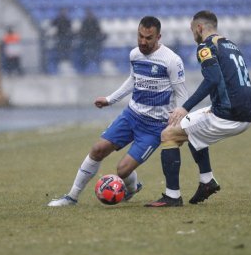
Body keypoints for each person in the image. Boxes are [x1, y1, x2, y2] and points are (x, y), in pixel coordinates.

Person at [48, 16, 188, 207]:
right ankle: (71, 197)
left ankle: (132, 188)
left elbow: (181, 93)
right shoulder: (135, 55)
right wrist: (109, 99)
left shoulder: (171, 60)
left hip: (154, 127)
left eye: (148, 38)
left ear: (158, 37)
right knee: (97, 150)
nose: (143, 42)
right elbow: (132, 80)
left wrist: (179, 118)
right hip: (131, 116)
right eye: (140, 36)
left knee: (122, 170)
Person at [145, 10, 251, 207]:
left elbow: (212, 79)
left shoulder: (206, 46)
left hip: (228, 114)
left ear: (199, 28)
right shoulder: (230, 45)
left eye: (192, 30)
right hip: (246, 111)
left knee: (169, 134)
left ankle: (172, 196)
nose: (193, 35)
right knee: (192, 128)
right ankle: (206, 181)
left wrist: (185, 107)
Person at [78, 8, 106, 73]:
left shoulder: (94, 21)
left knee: (96, 51)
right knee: (84, 51)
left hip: (93, 39)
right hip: (87, 40)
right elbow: (82, 31)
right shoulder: (85, 22)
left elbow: (98, 30)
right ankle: (84, 66)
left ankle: (97, 64)